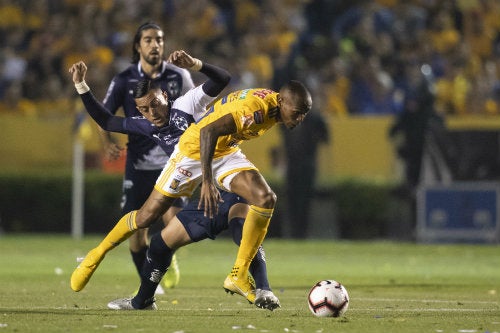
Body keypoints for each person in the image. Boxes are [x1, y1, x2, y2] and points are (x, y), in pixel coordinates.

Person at [70, 67, 312, 304]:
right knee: (145, 218)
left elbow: (222, 80)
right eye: (144, 109)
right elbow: (107, 120)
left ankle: (241, 276)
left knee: (265, 198)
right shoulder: (147, 124)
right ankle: (97, 255)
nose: (151, 112)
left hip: (221, 152)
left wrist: (196, 64)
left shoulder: (187, 103)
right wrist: (81, 86)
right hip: (189, 155)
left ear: (165, 95)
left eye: (154, 104)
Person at [99, 22, 195, 290]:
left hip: (172, 162)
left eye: (160, 40)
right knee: (135, 232)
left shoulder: (179, 76)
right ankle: (150, 284)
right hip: (138, 165)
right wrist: (107, 142)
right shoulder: (123, 80)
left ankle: (164, 258)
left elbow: (194, 110)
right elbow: (104, 116)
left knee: (174, 224)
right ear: (137, 46)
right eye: (149, 40)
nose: (155, 45)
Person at [107, 190, 280, 311]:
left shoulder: (193, 142)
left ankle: (263, 288)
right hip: (217, 196)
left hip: (227, 193)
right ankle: (264, 289)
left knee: (245, 233)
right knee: (160, 244)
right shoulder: (201, 143)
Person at [281, 107, 329, 239]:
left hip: (306, 165)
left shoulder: (314, 118)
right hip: (296, 165)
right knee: (294, 199)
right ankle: (295, 232)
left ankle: (301, 232)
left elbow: (325, 137)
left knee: (304, 200)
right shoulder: (292, 117)